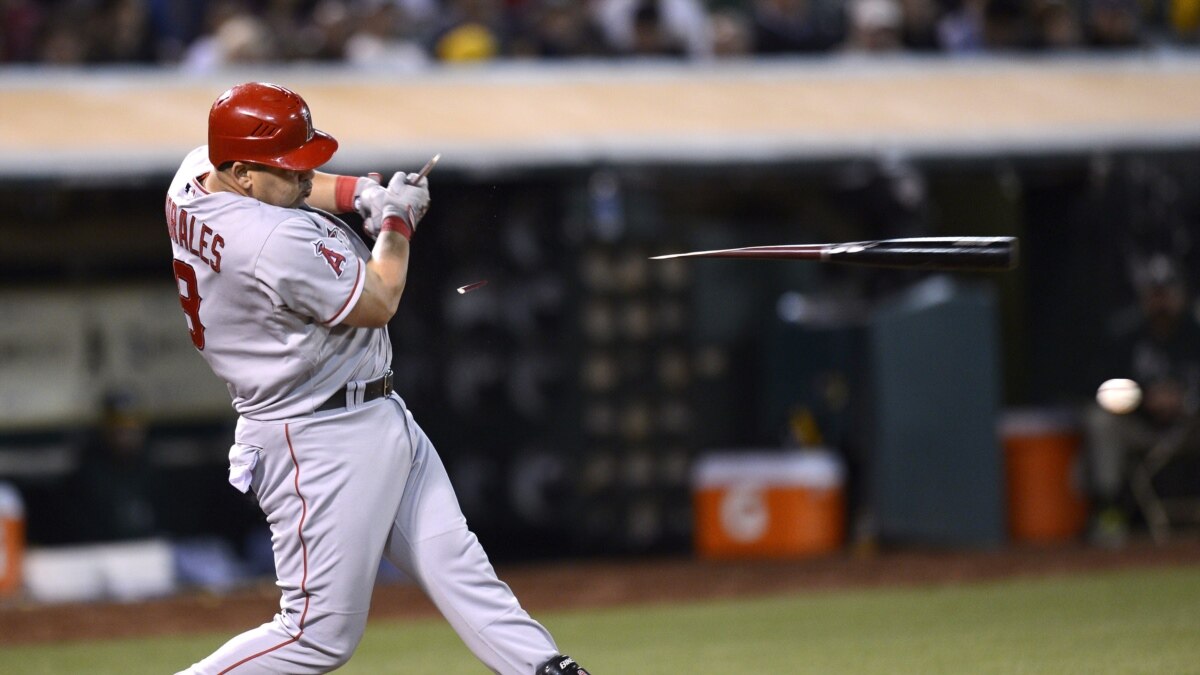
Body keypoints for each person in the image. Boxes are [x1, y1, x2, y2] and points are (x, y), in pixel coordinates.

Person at [165, 82, 589, 675]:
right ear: (240, 173)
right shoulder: (268, 240)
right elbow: (380, 297)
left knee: (457, 565)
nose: (303, 178)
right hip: (315, 438)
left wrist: (361, 190)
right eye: (289, 169)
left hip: (367, 410)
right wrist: (396, 221)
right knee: (316, 636)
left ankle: (545, 668)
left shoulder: (194, 175)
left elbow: (307, 187)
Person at [1084, 252, 1200, 545]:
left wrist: (1184, 399)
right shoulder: (1126, 336)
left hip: (1190, 426)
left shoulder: (1194, 332)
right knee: (1100, 421)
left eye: (1167, 293)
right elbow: (1100, 389)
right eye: (1155, 293)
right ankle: (1110, 512)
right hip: (1143, 427)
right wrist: (1142, 399)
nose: (1161, 302)